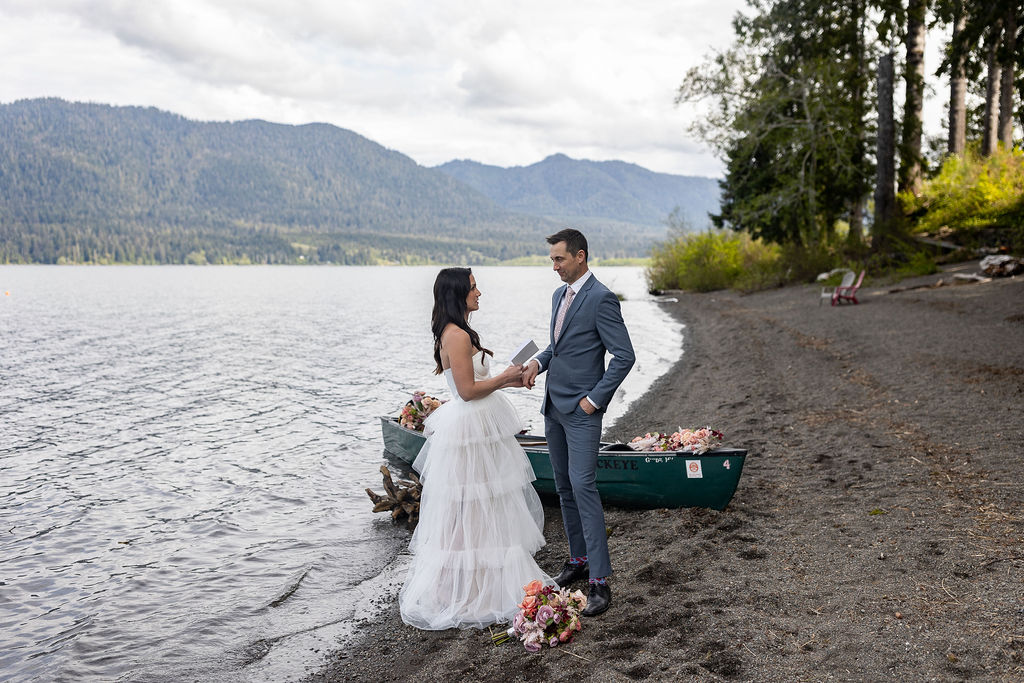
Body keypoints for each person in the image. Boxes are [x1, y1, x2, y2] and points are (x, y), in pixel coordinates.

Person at [399, 267, 553, 630]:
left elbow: (477, 383)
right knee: (470, 508)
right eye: (472, 287)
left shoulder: (461, 331)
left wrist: (509, 381)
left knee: (485, 507)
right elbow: (466, 391)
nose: (479, 292)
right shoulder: (454, 334)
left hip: (479, 424)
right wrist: (503, 378)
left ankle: (478, 584)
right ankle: (465, 591)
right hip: (468, 430)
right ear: (457, 294)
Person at [522, 228, 635, 618]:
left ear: (580, 256)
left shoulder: (601, 298)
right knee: (565, 487)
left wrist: (594, 399)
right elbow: (558, 345)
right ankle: (579, 559)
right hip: (553, 406)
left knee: (584, 487)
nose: (554, 266)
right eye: (552, 259)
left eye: (559, 259)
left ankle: (601, 582)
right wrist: (538, 362)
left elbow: (624, 356)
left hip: (583, 411)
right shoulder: (559, 296)